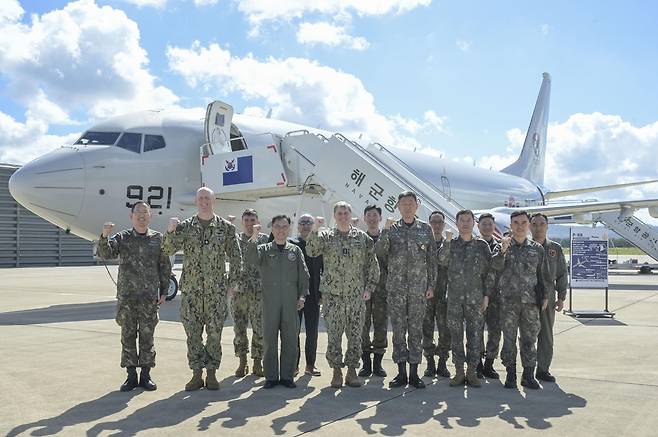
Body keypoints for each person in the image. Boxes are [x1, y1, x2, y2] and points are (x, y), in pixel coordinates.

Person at [162, 187, 242, 391]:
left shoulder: (226, 228)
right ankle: (196, 374)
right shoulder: (186, 227)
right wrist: (170, 231)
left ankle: (212, 373)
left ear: (213, 200)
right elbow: (167, 249)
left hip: (216, 292)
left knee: (214, 334)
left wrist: (233, 283)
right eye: (201, 198)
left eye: (207, 198)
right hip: (192, 292)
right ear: (196, 201)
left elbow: (235, 256)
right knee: (193, 334)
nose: (204, 201)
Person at [97, 201, 171, 392]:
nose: (141, 216)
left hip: (148, 297)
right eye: (137, 212)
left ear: (150, 216)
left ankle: (146, 376)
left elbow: (164, 266)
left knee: (147, 337)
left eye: (145, 212)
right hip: (127, 297)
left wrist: (164, 291)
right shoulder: (122, 237)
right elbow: (105, 253)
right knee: (128, 336)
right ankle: (131, 376)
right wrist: (104, 235)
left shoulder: (158, 239)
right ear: (131, 217)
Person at [306, 201, 380, 389]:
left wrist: (369, 288)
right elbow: (311, 250)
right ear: (335, 215)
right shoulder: (326, 236)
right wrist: (315, 228)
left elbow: (373, 264)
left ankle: (352, 371)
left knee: (355, 335)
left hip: (356, 296)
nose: (343, 216)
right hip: (333, 297)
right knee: (334, 336)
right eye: (339, 213)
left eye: (346, 212)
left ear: (350, 214)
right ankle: (337, 371)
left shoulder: (362, 238)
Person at [375, 191, 436, 389]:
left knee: (416, 330)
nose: (408, 206)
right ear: (398, 206)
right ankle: (401, 373)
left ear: (417, 206)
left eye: (411, 203)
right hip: (397, 289)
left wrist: (431, 285)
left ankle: (414, 374)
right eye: (404, 203)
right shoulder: (392, 230)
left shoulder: (425, 229)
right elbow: (379, 253)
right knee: (399, 331)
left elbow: (432, 260)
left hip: (419, 289)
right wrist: (384, 230)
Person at [245, 215, 309, 388]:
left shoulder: (295, 251)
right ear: (272, 229)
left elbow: (304, 276)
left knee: (290, 339)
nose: (281, 230)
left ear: (289, 229)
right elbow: (250, 259)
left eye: (284, 226)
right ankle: (271, 377)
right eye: (277, 226)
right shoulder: (264, 249)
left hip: (290, 302)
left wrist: (302, 296)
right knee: (269, 340)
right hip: (270, 302)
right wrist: (254, 237)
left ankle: (287, 376)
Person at [495, 210, 552, 390]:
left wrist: (545, 297)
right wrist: (503, 251)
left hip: (531, 303)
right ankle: (510, 374)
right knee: (509, 339)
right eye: (516, 223)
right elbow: (494, 268)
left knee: (529, 339)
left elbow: (542, 275)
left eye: (523, 223)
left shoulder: (537, 249)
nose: (520, 226)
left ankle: (528, 375)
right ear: (511, 226)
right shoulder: (502, 246)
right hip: (508, 303)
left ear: (528, 226)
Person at [439, 210, 496, 388]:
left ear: (474, 223)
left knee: (474, 336)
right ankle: (458, 372)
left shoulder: (481, 246)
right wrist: (447, 242)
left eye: (468, 220)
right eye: (461, 220)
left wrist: (487, 295)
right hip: (455, 299)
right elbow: (441, 260)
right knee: (456, 336)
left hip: (475, 299)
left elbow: (489, 273)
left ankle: (472, 372)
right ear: (456, 223)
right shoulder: (450, 244)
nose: (465, 223)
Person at [530, 212, 568, 383]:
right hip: (527, 295)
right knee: (527, 334)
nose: (538, 228)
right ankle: (528, 369)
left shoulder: (555, 248)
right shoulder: (525, 246)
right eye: (535, 224)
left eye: (541, 224)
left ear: (547, 226)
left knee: (546, 334)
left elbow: (562, 273)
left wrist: (561, 297)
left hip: (549, 295)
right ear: (530, 226)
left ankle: (543, 369)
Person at [232, 208, 269, 378]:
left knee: (259, 329)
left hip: (258, 292)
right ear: (242, 222)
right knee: (239, 329)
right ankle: (242, 361)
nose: (249, 223)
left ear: (257, 221)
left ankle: (257, 362)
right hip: (239, 291)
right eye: (246, 220)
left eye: (252, 220)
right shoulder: (236, 239)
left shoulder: (265, 240)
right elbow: (242, 257)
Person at [290, 214, 324, 377]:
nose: (305, 226)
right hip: (294, 295)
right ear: (298, 226)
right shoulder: (291, 244)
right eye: (302, 223)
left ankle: (310, 365)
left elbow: (324, 270)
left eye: (309, 223)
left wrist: (322, 292)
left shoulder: (318, 244)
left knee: (312, 332)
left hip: (313, 295)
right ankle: (293, 365)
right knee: (293, 331)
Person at [359, 205, 389, 378]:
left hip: (382, 289)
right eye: (368, 215)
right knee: (363, 326)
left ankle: (377, 364)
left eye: (375, 215)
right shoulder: (359, 238)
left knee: (381, 326)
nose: (371, 218)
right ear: (364, 218)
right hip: (363, 288)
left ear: (380, 218)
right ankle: (366, 364)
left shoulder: (387, 237)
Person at [422, 211, 451, 378]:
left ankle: (442, 362)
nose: (437, 225)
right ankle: (430, 362)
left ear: (443, 224)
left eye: (439, 222)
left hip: (443, 295)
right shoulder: (424, 243)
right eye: (433, 222)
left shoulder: (450, 243)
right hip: (426, 294)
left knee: (445, 330)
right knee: (426, 329)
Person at [476, 213, 503, 379]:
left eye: (490, 224)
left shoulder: (501, 246)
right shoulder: (472, 244)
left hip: (496, 295)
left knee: (495, 330)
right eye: (484, 224)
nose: (487, 227)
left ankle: (489, 364)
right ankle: (477, 363)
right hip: (477, 294)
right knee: (476, 331)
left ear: (494, 227)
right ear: (478, 226)